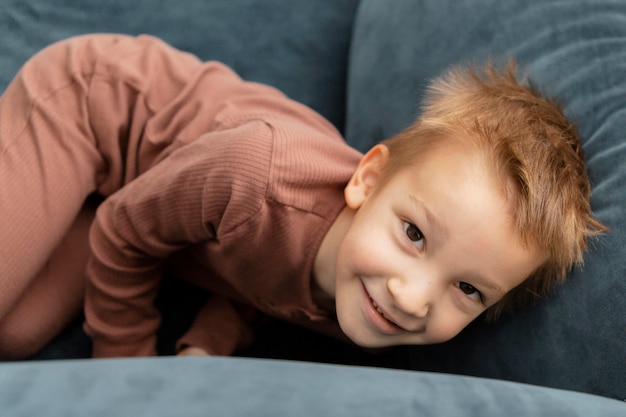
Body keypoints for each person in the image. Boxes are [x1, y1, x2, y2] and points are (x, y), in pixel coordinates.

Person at [0, 34, 607, 359]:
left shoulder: (374, 299)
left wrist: (204, 347)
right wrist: (126, 365)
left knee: (18, 335)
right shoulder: (257, 176)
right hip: (88, 108)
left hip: (146, 196)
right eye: (415, 235)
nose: (413, 296)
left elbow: (262, 283)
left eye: (469, 289)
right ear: (367, 179)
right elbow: (122, 231)